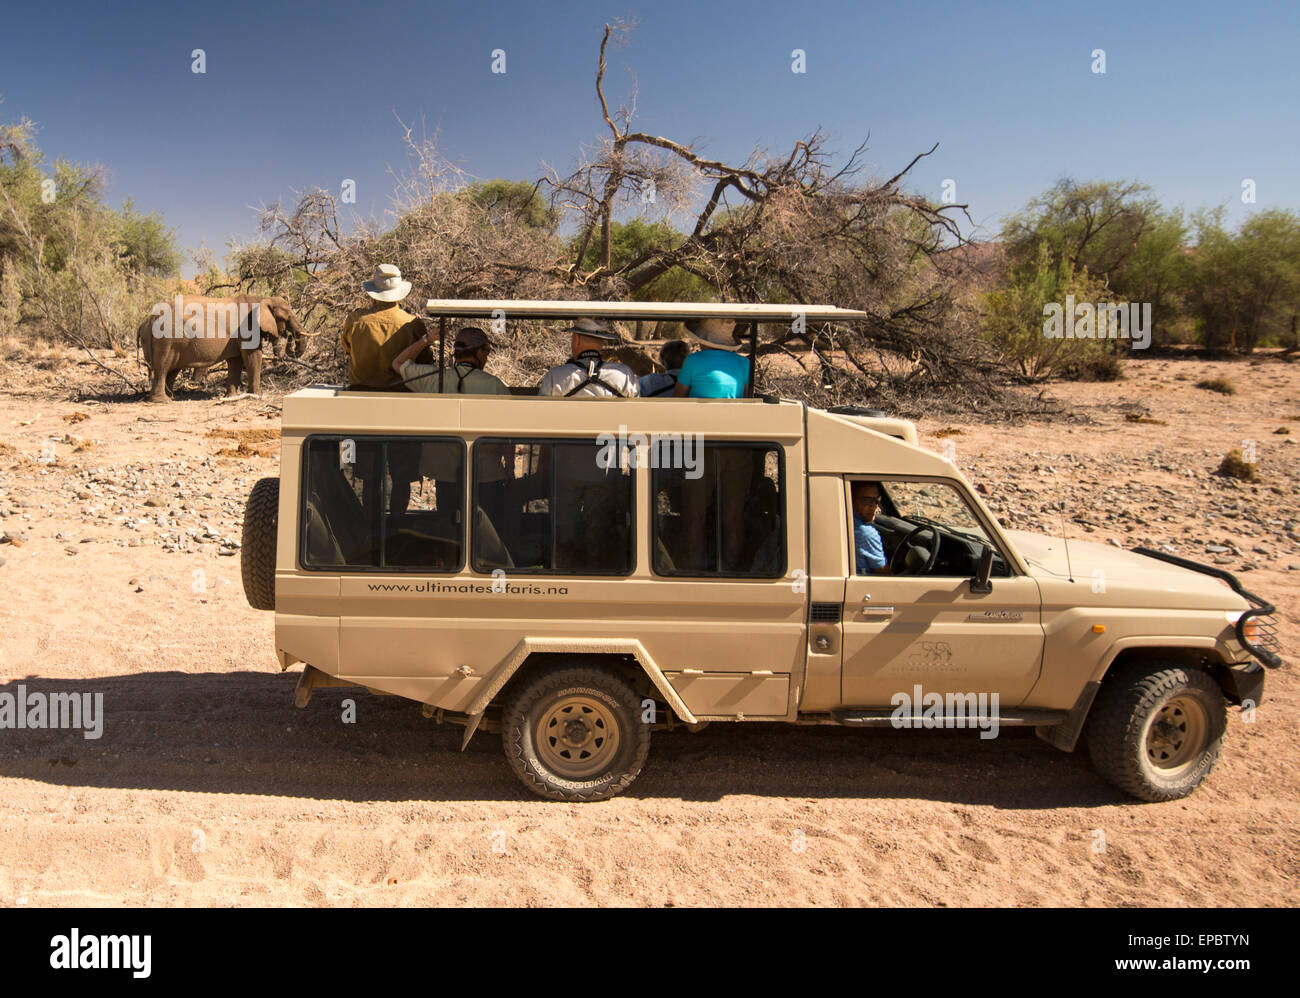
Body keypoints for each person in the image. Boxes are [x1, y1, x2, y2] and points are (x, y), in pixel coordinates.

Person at [339, 264, 428, 389]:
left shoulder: (355, 320)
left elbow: (348, 348)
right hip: (401, 392)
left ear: (373, 294)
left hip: (360, 390)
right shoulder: (413, 323)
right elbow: (425, 360)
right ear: (399, 295)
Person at [390, 326, 510, 395]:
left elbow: (397, 363)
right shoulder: (495, 386)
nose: (486, 357)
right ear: (479, 352)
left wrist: (427, 339)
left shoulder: (433, 378)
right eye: (487, 351)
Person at [537, 319, 640, 397]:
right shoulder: (624, 374)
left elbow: (541, 414)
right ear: (602, 342)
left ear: (576, 339)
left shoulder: (555, 376)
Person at [673, 318, 750, 398]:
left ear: (703, 341)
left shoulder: (692, 360)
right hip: (735, 410)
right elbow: (747, 397)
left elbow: (678, 396)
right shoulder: (744, 362)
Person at [852, 480, 889, 575]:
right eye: (867, 501)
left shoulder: (847, 520)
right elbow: (884, 574)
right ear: (852, 500)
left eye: (876, 500)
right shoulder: (865, 532)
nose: (874, 507)